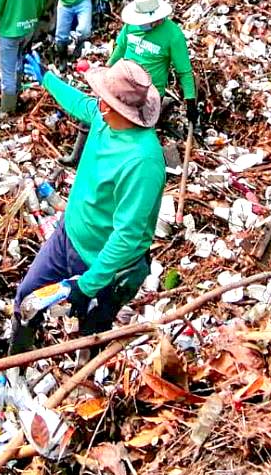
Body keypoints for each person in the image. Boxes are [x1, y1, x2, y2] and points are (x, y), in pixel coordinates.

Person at [10, 55, 165, 353]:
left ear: (113, 106)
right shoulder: (103, 119)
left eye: (102, 98)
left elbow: (128, 235)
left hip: (101, 264)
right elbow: (80, 104)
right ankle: (16, 362)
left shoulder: (143, 161)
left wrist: (88, 284)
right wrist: (47, 79)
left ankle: (81, 388)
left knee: (89, 334)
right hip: (67, 236)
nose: (98, 101)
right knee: (27, 299)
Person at [108, 0, 199, 128]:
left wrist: (190, 101)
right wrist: (107, 69)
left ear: (157, 19)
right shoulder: (132, 25)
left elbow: (184, 71)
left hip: (149, 93)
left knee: (139, 129)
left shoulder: (173, 34)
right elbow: (120, 48)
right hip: (124, 83)